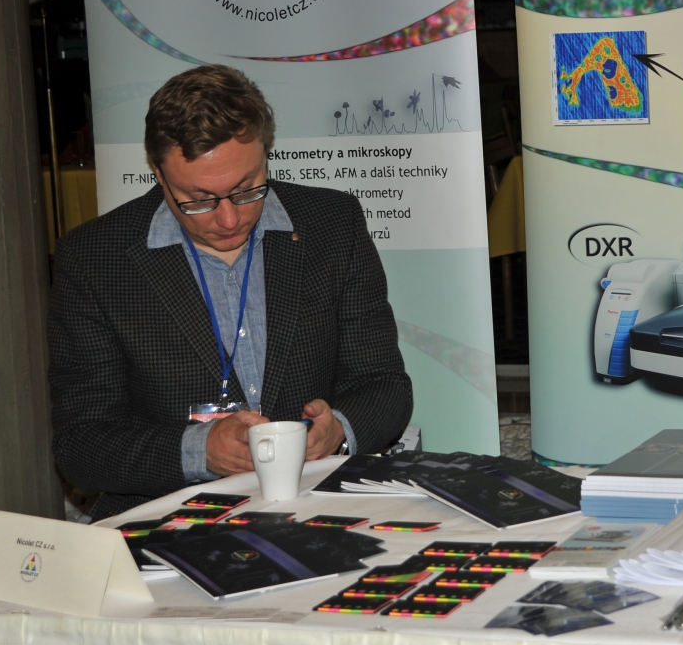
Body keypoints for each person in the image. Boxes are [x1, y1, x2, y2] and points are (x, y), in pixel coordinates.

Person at [49, 65, 413, 520]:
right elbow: (81, 444)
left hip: (318, 506)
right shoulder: (94, 260)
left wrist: (337, 430)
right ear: (158, 173)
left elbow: (384, 385)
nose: (228, 219)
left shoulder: (333, 225)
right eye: (199, 199)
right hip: (167, 519)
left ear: (266, 153)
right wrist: (198, 450)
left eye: (246, 190)